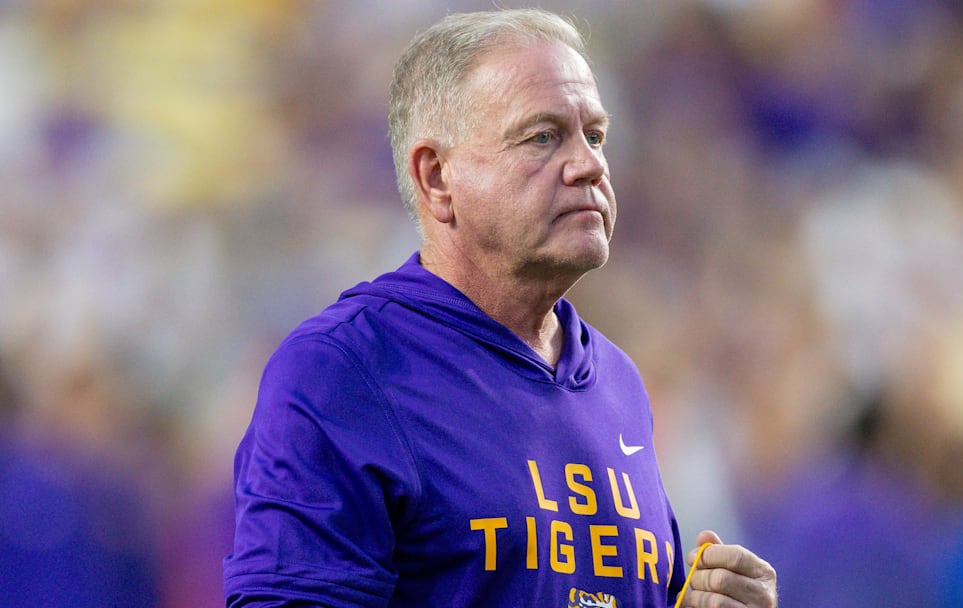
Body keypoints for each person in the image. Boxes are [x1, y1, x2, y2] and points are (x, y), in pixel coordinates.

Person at [223, 8, 777, 607]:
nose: (589, 164)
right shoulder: (343, 372)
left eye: (595, 135)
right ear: (437, 178)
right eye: (543, 137)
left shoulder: (619, 382)